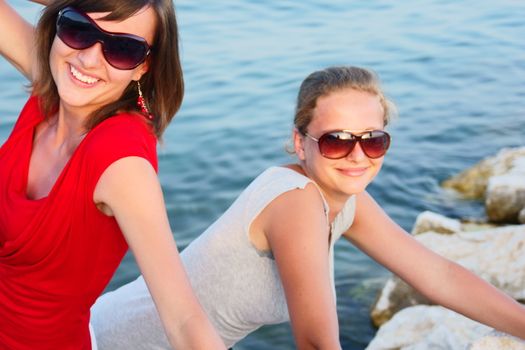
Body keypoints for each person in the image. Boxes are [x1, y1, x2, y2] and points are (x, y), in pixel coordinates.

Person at [91, 65, 525, 349]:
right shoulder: (295, 201)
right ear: (301, 144)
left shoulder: (346, 198)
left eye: (372, 139)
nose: (358, 157)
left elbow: (438, 274)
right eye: (337, 140)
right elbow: (317, 342)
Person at [0, 0, 225, 349]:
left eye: (122, 49)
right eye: (78, 28)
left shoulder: (120, 160)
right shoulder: (56, 87)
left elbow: (184, 319)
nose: (89, 58)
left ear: (143, 66)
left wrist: (88, 10)